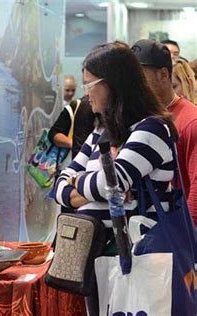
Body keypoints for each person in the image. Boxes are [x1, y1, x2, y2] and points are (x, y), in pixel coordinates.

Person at [54, 43, 179, 315]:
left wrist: (82, 183)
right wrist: (89, 186)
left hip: (141, 255)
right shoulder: (101, 131)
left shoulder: (153, 128)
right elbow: (60, 185)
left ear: (113, 84)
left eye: (90, 84)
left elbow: (112, 183)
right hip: (99, 255)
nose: (86, 94)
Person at [132, 39, 197, 222]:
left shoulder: (191, 120)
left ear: (162, 74)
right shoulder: (140, 117)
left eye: (141, 77)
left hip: (175, 229)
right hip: (145, 228)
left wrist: (187, 236)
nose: (136, 84)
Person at [48, 95, 95, 213]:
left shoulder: (112, 113)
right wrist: (74, 144)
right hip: (72, 170)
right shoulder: (74, 108)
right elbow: (53, 134)